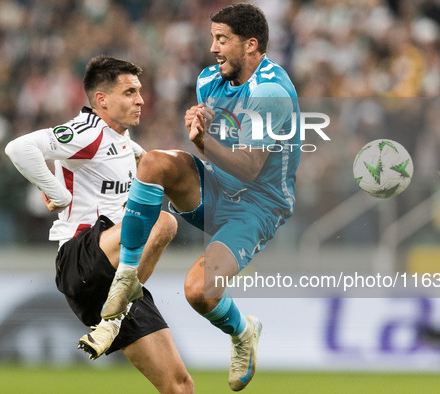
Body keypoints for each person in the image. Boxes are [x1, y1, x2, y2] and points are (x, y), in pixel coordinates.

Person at [102, 4, 300, 391]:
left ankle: (244, 332)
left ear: (251, 45)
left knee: (199, 291)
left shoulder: (271, 93)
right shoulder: (210, 79)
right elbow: (223, 134)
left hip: (258, 207)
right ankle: (126, 274)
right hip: (215, 186)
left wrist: (203, 140)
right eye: (213, 38)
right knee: (155, 163)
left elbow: (249, 167)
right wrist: (204, 126)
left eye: (222, 39)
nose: (213, 48)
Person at [5, 56, 194, 394]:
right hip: (82, 259)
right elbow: (19, 148)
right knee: (162, 221)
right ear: (102, 99)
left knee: (179, 386)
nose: (140, 99)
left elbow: (142, 159)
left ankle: (113, 319)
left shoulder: (123, 140)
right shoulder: (87, 131)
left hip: (115, 271)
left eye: (139, 91)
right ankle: (116, 313)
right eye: (129, 92)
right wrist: (56, 193)